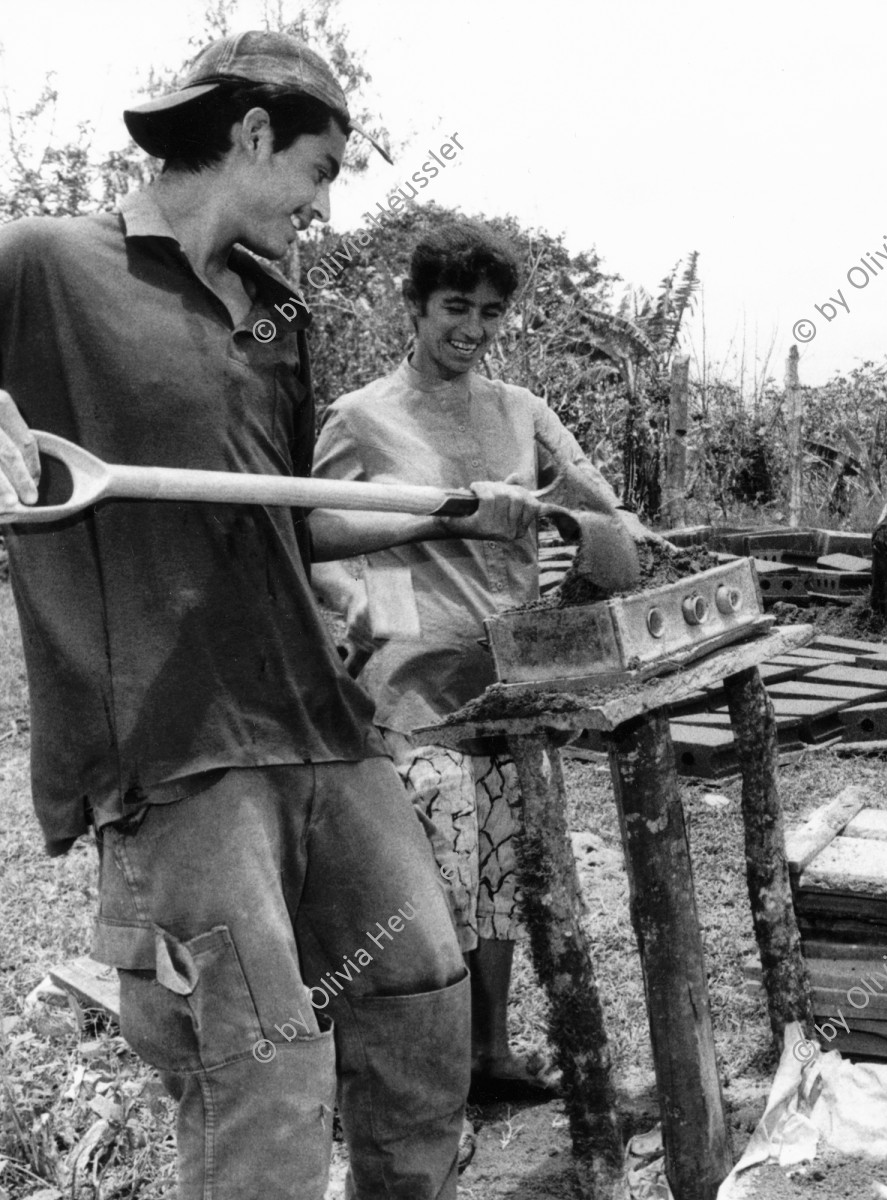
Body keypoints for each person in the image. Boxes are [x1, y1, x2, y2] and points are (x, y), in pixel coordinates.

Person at [0, 30, 545, 1199]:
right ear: (252, 135)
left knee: (420, 1000)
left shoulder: (274, 312)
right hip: (176, 740)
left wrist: (454, 514)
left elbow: (291, 514)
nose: (324, 204)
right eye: (322, 169)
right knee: (263, 1064)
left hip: (317, 717)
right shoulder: (47, 266)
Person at [311, 219, 641, 1104]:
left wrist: (587, 510)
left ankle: (488, 1053)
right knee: (431, 880)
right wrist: (357, 601)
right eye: (456, 307)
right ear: (413, 306)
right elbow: (312, 533)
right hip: (414, 686)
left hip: (510, 677)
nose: (474, 328)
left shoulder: (522, 411)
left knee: (503, 869)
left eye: (492, 313)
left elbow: (606, 520)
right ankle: (421, 1072)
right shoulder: (361, 419)